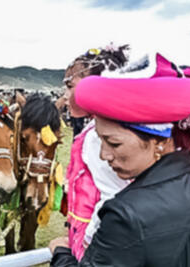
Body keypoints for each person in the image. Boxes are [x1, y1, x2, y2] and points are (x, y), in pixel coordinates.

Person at [49, 53, 190, 266]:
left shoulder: (125, 215)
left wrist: (61, 254)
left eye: (114, 143)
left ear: (160, 141)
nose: (104, 154)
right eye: (100, 141)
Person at [59, 44, 132, 260]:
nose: (65, 95)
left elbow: (113, 195)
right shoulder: (102, 129)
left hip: (95, 239)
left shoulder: (98, 137)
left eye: (71, 86)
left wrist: (88, 239)